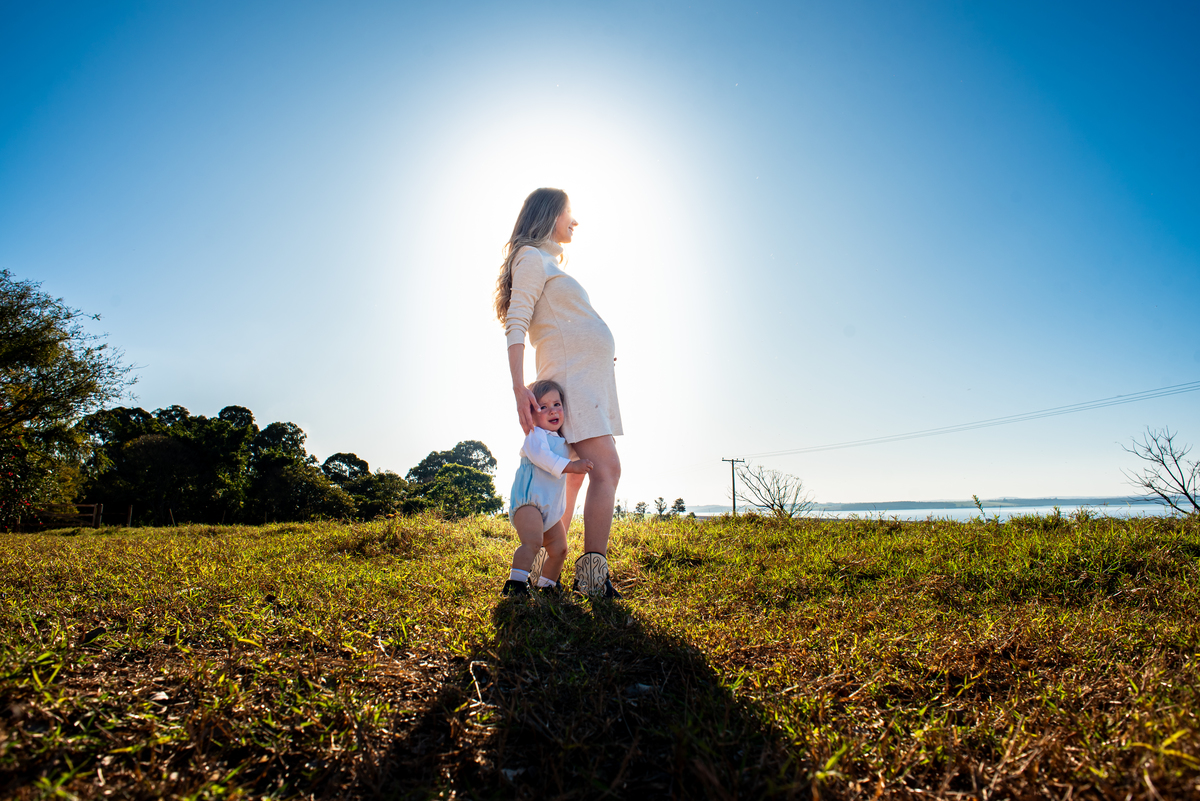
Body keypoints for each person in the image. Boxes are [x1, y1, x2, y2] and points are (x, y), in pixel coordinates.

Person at [494, 187, 624, 597]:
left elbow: (566, 325)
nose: (576, 221)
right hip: (573, 377)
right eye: (570, 213)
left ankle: (551, 571)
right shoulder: (531, 257)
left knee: (574, 477)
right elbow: (516, 322)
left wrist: (599, 352)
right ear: (550, 214)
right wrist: (518, 387)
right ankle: (593, 579)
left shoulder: (546, 261)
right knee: (606, 469)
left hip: (587, 375)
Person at [502, 380, 594, 596]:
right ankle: (515, 584)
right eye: (543, 407)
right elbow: (543, 458)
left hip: (550, 510)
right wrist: (572, 466)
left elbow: (569, 455)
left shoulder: (562, 441)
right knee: (532, 543)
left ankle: (547, 585)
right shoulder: (535, 436)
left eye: (557, 404)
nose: (552, 411)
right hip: (529, 503)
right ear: (530, 415)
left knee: (560, 549)